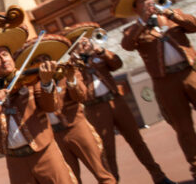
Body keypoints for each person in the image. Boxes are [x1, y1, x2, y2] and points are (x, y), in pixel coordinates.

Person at [0, 26, 78, 184]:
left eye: (5, 55)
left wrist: (45, 83)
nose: (3, 60)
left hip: (43, 152)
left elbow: (51, 107)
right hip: (15, 160)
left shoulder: (30, 79)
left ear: (12, 57)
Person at [62, 22, 174, 184]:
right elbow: (78, 92)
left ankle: (159, 176)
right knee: (107, 150)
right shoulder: (72, 67)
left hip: (116, 101)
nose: (83, 43)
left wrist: (100, 51)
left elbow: (117, 64)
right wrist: (77, 63)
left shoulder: (98, 54)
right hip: (96, 108)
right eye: (79, 42)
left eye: (84, 40)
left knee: (137, 141)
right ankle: (114, 181)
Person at [113, 0, 196, 181]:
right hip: (165, 81)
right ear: (136, 9)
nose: (149, 2)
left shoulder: (171, 15)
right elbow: (127, 45)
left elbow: (193, 26)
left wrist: (170, 14)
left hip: (189, 72)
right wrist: (143, 23)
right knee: (183, 127)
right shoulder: (133, 30)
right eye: (143, 1)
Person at [14, 34, 116, 184]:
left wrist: (71, 79)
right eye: (37, 62)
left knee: (101, 171)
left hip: (77, 127)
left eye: (45, 59)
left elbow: (81, 96)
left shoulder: (66, 73)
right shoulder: (31, 85)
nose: (43, 64)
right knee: (71, 178)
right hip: (55, 135)